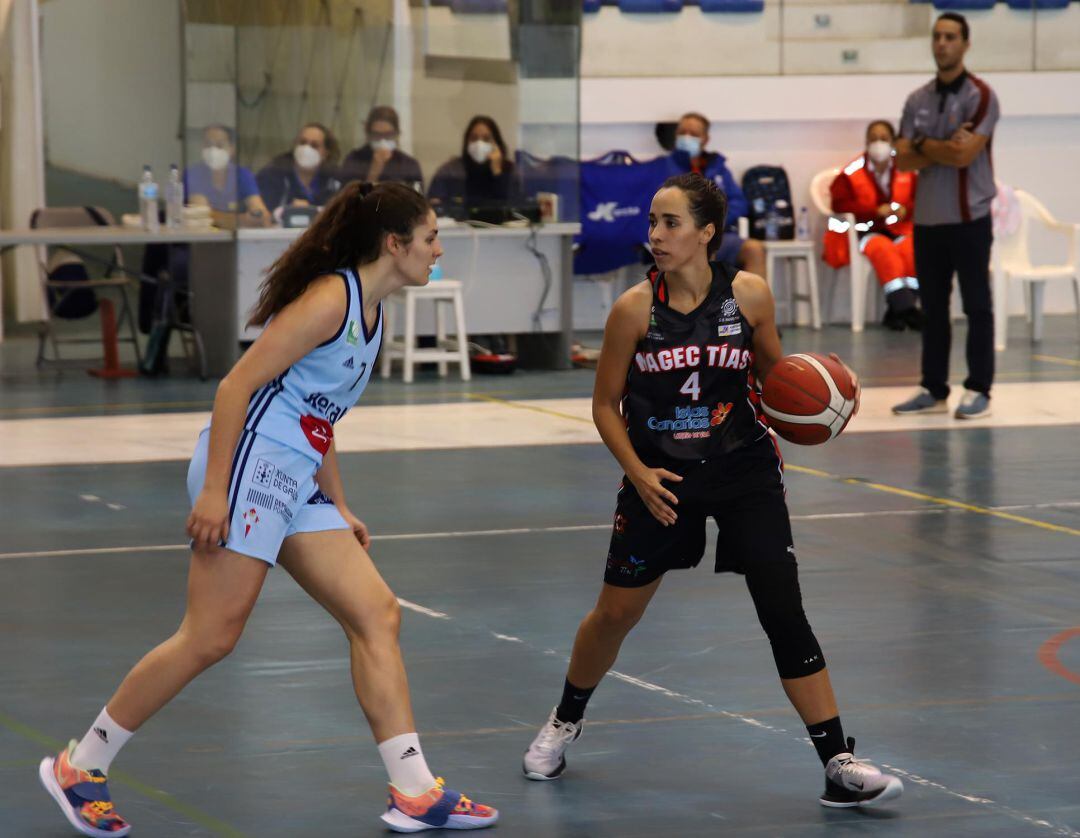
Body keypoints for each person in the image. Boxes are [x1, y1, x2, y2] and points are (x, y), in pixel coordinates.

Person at [38, 181, 498, 836]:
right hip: (248, 467)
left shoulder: (375, 309)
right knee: (210, 636)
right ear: (394, 244)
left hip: (294, 476)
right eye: (430, 238)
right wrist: (213, 490)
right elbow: (237, 386)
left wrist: (338, 503)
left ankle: (414, 790)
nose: (438, 249)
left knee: (377, 614)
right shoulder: (330, 298)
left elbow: (319, 411)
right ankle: (80, 767)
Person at [521, 173, 903, 812]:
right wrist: (637, 474)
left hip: (744, 469)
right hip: (661, 479)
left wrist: (826, 400)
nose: (656, 235)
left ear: (705, 233)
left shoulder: (749, 296)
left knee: (783, 608)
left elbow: (778, 382)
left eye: (670, 223)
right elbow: (604, 405)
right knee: (616, 614)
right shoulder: (632, 310)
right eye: (652, 222)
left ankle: (837, 761)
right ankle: (565, 716)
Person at [892, 12, 999, 419]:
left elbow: (964, 154)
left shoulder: (980, 96)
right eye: (937, 36)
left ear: (965, 44)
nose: (942, 44)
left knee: (977, 306)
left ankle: (979, 390)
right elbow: (902, 159)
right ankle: (933, 388)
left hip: (970, 219)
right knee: (933, 310)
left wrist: (921, 144)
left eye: (950, 37)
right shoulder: (917, 99)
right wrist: (933, 146)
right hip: (927, 222)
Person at [826, 120, 922, 331]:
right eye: (873, 139)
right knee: (883, 249)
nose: (878, 143)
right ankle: (907, 310)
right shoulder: (851, 172)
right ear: (866, 142)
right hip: (864, 232)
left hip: (898, 230)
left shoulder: (906, 169)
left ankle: (897, 309)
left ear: (893, 142)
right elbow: (839, 203)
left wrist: (906, 210)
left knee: (912, 250)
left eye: (884, 139)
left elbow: (921, 198)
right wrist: (872, 211)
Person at [665, 112, 766, 278]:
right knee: (701, 251)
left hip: (719, 234)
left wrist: (717, 221)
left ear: (705, 139)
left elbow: (739, 202)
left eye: (694, 134)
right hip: (681, 237)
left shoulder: (717, 167)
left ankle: (754, 303)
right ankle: (706, 303)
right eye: (682, 132)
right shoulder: (665, 168)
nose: (687, 137)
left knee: (754, 249)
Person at [428, 116, 521, 219]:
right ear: (467, 142)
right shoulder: (451, 170)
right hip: (459, 231)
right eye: (474, 138)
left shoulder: (510, 170)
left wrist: (497, 172)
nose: (479, 144)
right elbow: (433, 207)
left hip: (501, 232)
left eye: (486, 139)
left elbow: (515, 209)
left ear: (496, 143)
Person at [186, 124, 271, 228]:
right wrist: (243, 219)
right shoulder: (193, 174)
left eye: (219, 145)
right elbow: (201, 215)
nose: (213, 151)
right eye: (208, 145)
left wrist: (224, 219)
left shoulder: (242, 174)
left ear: (231, 149)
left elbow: (261, 214)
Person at [256, 122, 343, 216]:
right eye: (302, 142)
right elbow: (262, 216)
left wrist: (310, 209)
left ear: (326, 153)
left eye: (314, 145)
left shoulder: (335, 180)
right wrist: (288, 209)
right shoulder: (272, 174)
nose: (306, 148)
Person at [340, 106, 424, 188]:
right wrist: (374, 172)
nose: (382, 140)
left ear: (397, 134)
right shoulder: (355, 160)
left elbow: (418, 199)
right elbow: (352, 200)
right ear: (368, 134)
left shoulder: (409, 164)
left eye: (388, 135)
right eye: (377, 135)